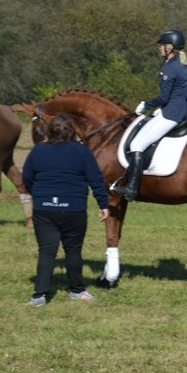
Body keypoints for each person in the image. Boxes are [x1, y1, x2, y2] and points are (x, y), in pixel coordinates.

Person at [23, 114, 109, 306]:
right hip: (74, 210)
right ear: (71, 131)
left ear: (49, 131)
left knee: (46, 251)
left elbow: (27, 179)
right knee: (73, 250)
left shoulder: (37, 151)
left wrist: (39, 195)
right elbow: (96, 180)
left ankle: (39, 296)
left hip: (44, 209)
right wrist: (103, 205)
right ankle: (77, 290)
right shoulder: (83, 152)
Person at [113, 29, 187, 202]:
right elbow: (179, 94)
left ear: (170, 48)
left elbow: (164, 96)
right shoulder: (182, 64)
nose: (160, 48)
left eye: (162, 45)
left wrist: (146, 104)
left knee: (136, 145)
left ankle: (131, 188)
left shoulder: (170, 68)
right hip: (180, 109)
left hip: (172, 113)